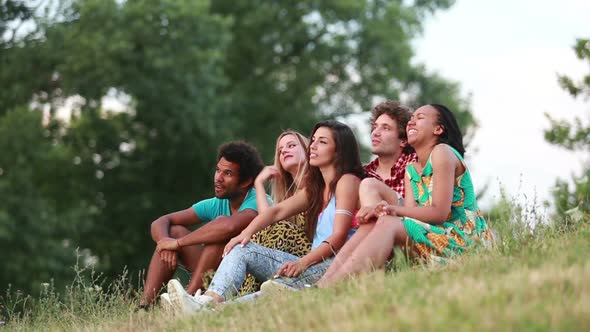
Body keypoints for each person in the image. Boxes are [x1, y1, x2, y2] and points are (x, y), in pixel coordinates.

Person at [166, 120, 365, 314]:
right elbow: (275, 211)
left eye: (322, 142)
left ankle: (203, 310)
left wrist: (302, 262)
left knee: (272, 292)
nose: (313, 146)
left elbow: (338, 237)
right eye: (313, 140)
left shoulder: (346, 181)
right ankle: (207, 302)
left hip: (332, 267)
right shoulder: (317, 189)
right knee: (243, 250)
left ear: (339, 151)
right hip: (313, 263)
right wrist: (244, 234)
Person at [317, 104, 493, 287]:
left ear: (438, 129)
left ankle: (336, 286)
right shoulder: (411, 170)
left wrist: (390, 208)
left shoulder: (443, 152)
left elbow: (440, 213)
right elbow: (411, 215)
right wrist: (380, 210)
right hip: (434, 236)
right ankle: (324, 283)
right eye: (411, 119)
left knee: (386, 220)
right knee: (378, 220)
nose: (412, 122)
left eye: (420, 117)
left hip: (463, 238)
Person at [138, 141, 265, 308]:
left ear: (245, 181)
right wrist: (165, 243)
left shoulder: (259, 201)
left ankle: (188, 298)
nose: (218, 178)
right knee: (174, 231)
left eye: (227, 173)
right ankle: (144, 307)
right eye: (218, 170)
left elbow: (228, 227)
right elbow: (161, 221)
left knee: (219, 238)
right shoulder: (216, 203)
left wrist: (177, 243)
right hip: (214, 275)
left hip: (246, 280)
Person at [239, 130, 312, 295]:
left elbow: (272, 223)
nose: (284, 151)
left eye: (291, 145)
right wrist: (258, 183)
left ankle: (242, 294)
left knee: (275, 229)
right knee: (260, 234)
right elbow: (267, 223)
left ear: (309, 151)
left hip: (315, 257)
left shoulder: (317, 184)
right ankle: (225, 296)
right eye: (280, 151)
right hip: (292, 259)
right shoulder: (290, 193)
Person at [364, 100, 417, 198]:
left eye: (385, 128)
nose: (375, 132)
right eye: (375, 127)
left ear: (404, 140)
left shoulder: (417, 164)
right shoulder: (362, 174)